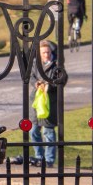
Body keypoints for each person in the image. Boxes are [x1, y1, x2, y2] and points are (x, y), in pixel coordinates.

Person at [30, 40, 59, 168]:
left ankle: (49, 160)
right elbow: (30, 77)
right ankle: (39, 157)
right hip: (37, 101)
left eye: (48, 52)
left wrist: (49, 85)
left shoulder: (56, 65)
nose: (46, 55)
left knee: (48, 132)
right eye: (43, 53)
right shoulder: (36, 64)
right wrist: (37, 84)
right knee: (33, 131)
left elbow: (60, 79)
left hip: (49, 102)